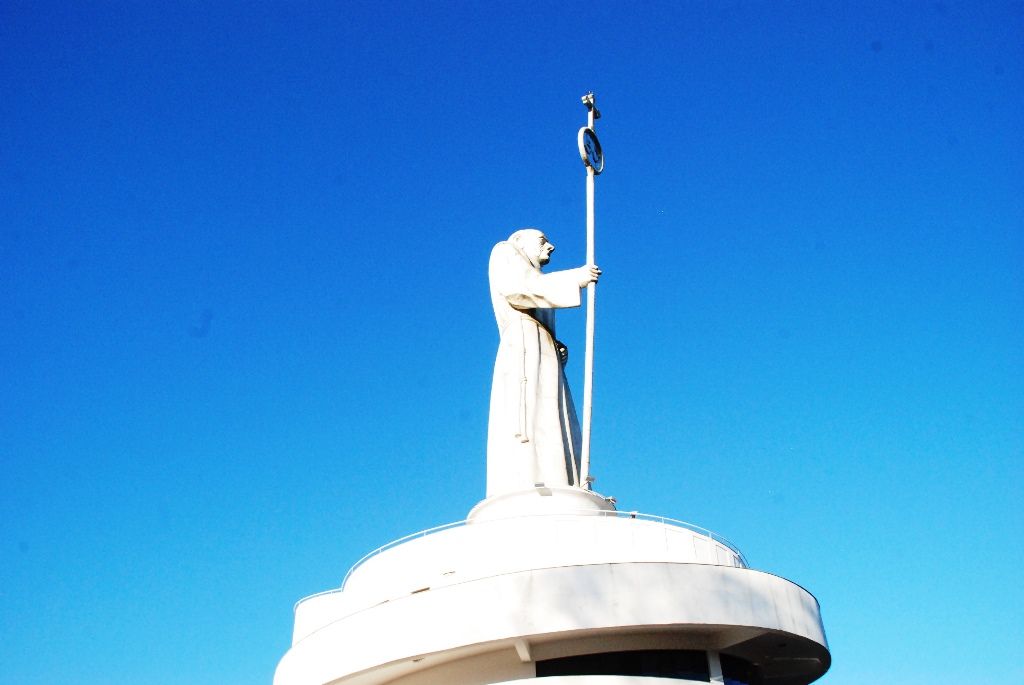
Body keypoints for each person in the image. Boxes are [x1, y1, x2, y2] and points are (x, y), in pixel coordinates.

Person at [486, 228, 601, 497]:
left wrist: (556, 345)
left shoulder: (536, 278)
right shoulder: (505, 250)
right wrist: (577, 277)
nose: (551, 246)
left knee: (554, 417)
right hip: (525, 344)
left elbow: (534, 288)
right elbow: (518, 290)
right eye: (542, 240)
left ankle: (563, 480)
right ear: (520, 242)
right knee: (532, 413)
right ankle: (532, 480)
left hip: (542, 345)